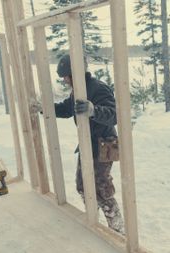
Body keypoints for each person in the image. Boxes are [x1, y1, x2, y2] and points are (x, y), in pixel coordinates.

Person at [53, 54, 124, 234]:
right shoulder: (78, 89)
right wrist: (44, 107)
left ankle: (118, 229)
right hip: (88, 143)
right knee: (82, 185)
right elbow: (65, 109)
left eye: (65, 76)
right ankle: (94, 219)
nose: (64, 80)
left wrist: (94, 110)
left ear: (73, 73)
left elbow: (114, 115)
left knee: (101, 188)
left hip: (105, 144)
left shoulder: (97, 88)